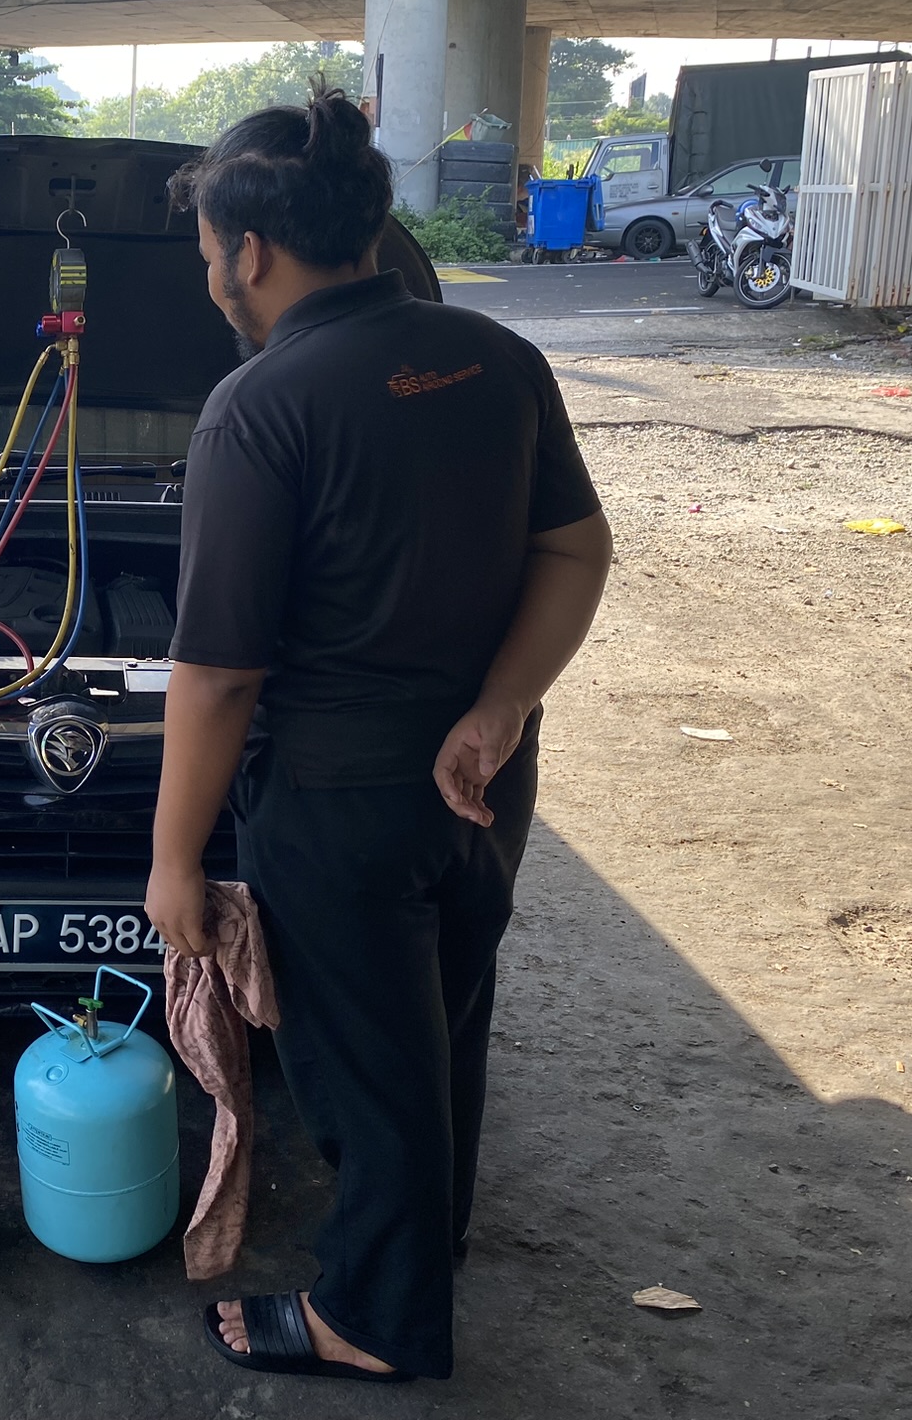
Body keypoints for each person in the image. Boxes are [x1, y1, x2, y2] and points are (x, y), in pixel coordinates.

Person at [145, 90, 612, 1382]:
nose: (208, 281)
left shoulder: (261, 404)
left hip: (340, 803)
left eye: (205, 257)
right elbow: (573, 550)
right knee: (444, 1029)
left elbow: (222, 676)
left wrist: (175, 860)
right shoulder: (493, 355)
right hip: (484, 778)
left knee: (363, 1074)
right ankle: (427, 1245)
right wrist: (500, 705)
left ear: (249, 250)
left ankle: (376, 1321)